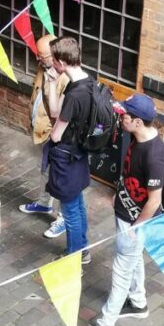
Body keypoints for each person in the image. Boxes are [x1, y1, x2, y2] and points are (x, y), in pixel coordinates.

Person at [75, 95, 164, 326]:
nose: (120, 117)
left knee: (120, 273)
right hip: (124, 211)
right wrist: (119, 190)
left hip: (135, 222)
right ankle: (138, 303)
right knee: (132, 260)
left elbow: (154, 200)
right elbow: (128, 173)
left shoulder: (154, 157)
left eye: (124, 115)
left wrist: (135, 227)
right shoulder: (137, 137)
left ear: (137, 122)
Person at [46, 37, 93, 265]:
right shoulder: (87, 82)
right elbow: (57, 112)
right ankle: (83, 248)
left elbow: (56, 133)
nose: (52, 64)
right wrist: (53, 84)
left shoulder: (75, 95)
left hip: (66, 156)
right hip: (80, 153)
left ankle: (74, 256)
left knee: (71, 211)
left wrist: (52, 136)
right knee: (78, 204)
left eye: (54, 60)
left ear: (62, 62)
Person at [18, 34, 69, 241]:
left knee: (61, 176)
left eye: (42, 56)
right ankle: (44, 203)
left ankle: (64, 218)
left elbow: (62, 112)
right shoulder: (43, 66)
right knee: (45, 169)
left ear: (55, 54)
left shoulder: (65, 78)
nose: (38, 59)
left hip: (57, 134)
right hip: (43, 131)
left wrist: (53, 132)